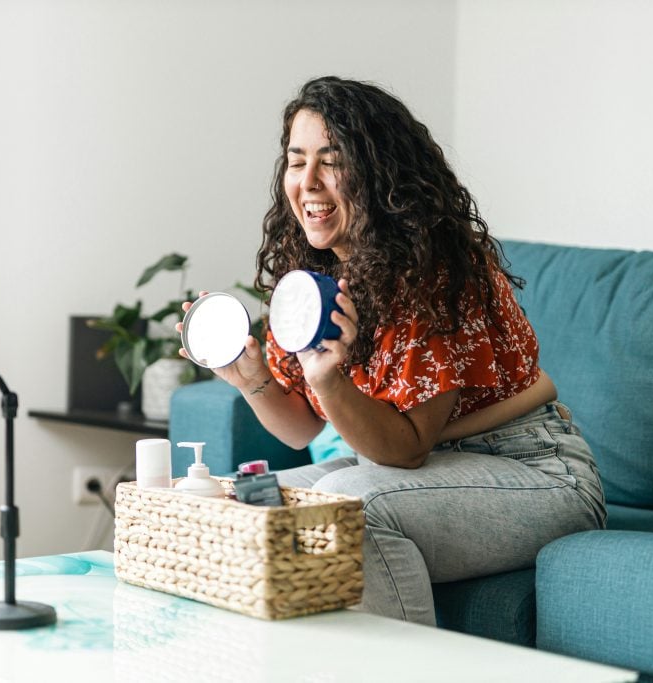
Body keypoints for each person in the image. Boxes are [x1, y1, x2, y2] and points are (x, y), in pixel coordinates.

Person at [179, 76, 605, 626]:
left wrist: (331, 382)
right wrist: (251, 379)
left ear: (380, 174)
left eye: (331, 161)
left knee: (348, 503)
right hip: (414, 473)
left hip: (537, 472)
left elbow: (405, 451)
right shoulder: (314, 273)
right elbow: (302, 429)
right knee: (249, 502)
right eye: (295, 160)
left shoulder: (435, 270)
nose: (307, 181)